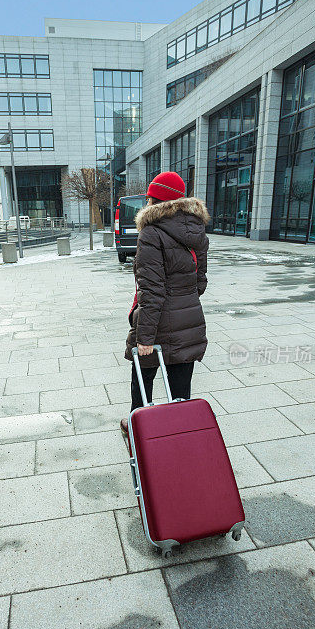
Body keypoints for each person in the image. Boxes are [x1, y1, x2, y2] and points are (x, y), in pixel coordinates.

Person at [120, 171, 209, 435]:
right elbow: (200, 282)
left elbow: (152, 290)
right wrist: (183, 300)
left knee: (142, 382)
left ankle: (138, 431)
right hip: (188, 322)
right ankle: (178, 438)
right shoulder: (196, 230)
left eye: (149, 198)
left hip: (155, 324)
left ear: (155, 200)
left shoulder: (151, 233)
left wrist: (145, 337)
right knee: (181, 392)